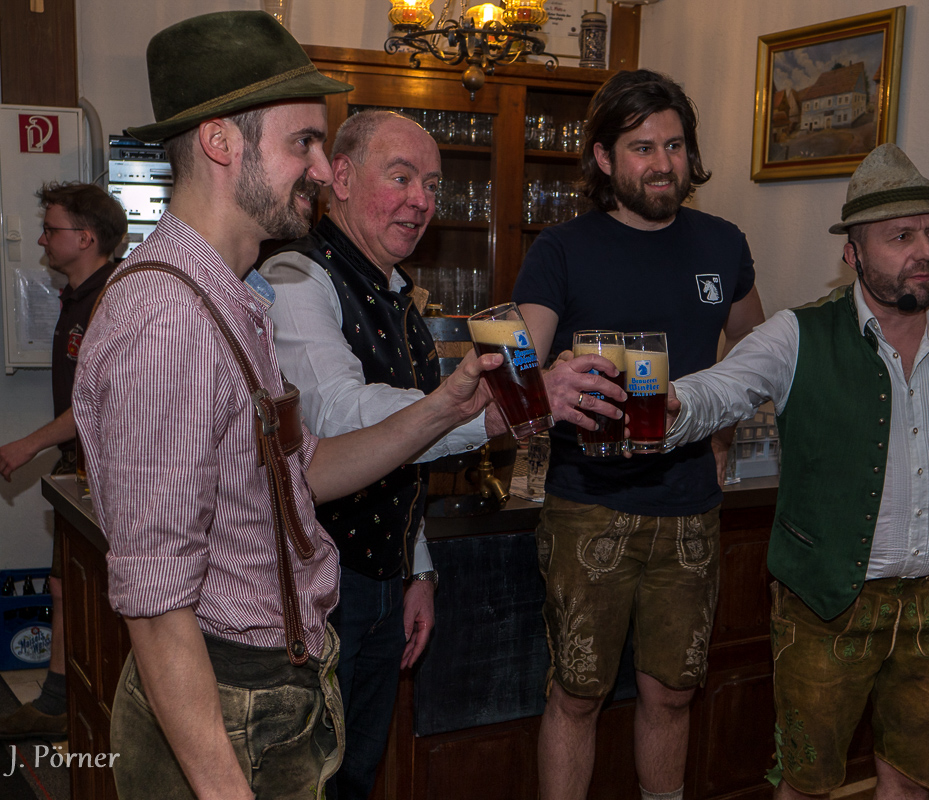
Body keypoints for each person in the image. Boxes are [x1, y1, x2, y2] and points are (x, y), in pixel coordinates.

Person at [70, 12, 504, 800]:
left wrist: (445, 408)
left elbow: (300, 473)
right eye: (303, 141)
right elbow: (157, 605)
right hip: (221, 699)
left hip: (267, 685)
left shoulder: (231, 297)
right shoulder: (168, 319)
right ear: (220, 143)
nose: (324, 169)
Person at [260, 108, 626, 799]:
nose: (422, 200)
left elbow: (404, 456)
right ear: (341, 178)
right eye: (400, 177)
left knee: (356, 775)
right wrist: (489, 411)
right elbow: (338, 417)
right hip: (314, 587)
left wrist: (417, 569)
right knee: (308, 781)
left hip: (379, 579)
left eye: (431, 185)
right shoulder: (295, 276)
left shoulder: (396, 293)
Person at [667, 143, 929, 799]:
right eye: (901, 236)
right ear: (852, 253)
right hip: (826, 602)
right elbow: (722, 389)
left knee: (912, 783)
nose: (926, 251)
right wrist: (670, 403)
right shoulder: (797, 334)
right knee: (806, 784)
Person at [511, 69, 765, 800]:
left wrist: (722, 433)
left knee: (673, 694)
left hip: (689, 508)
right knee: (577, 695)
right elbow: (519, 371)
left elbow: (755, 354)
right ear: (603, 157)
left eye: (675, 146)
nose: (663, 164)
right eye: (642, 147)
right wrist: (545, 375)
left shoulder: (723, 243)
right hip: (587, 505)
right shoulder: (560, 249)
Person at [0, 181, 126, 743]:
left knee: (92, 587)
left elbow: (95, 403)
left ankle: (84, 705)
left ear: (87, 238)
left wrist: (26, 446)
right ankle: (60, 699)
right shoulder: (78, 297)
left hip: (111, 473)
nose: (43, 240)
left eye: (51, 230)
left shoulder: (111, 300)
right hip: (79, 467)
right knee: (63, 582)